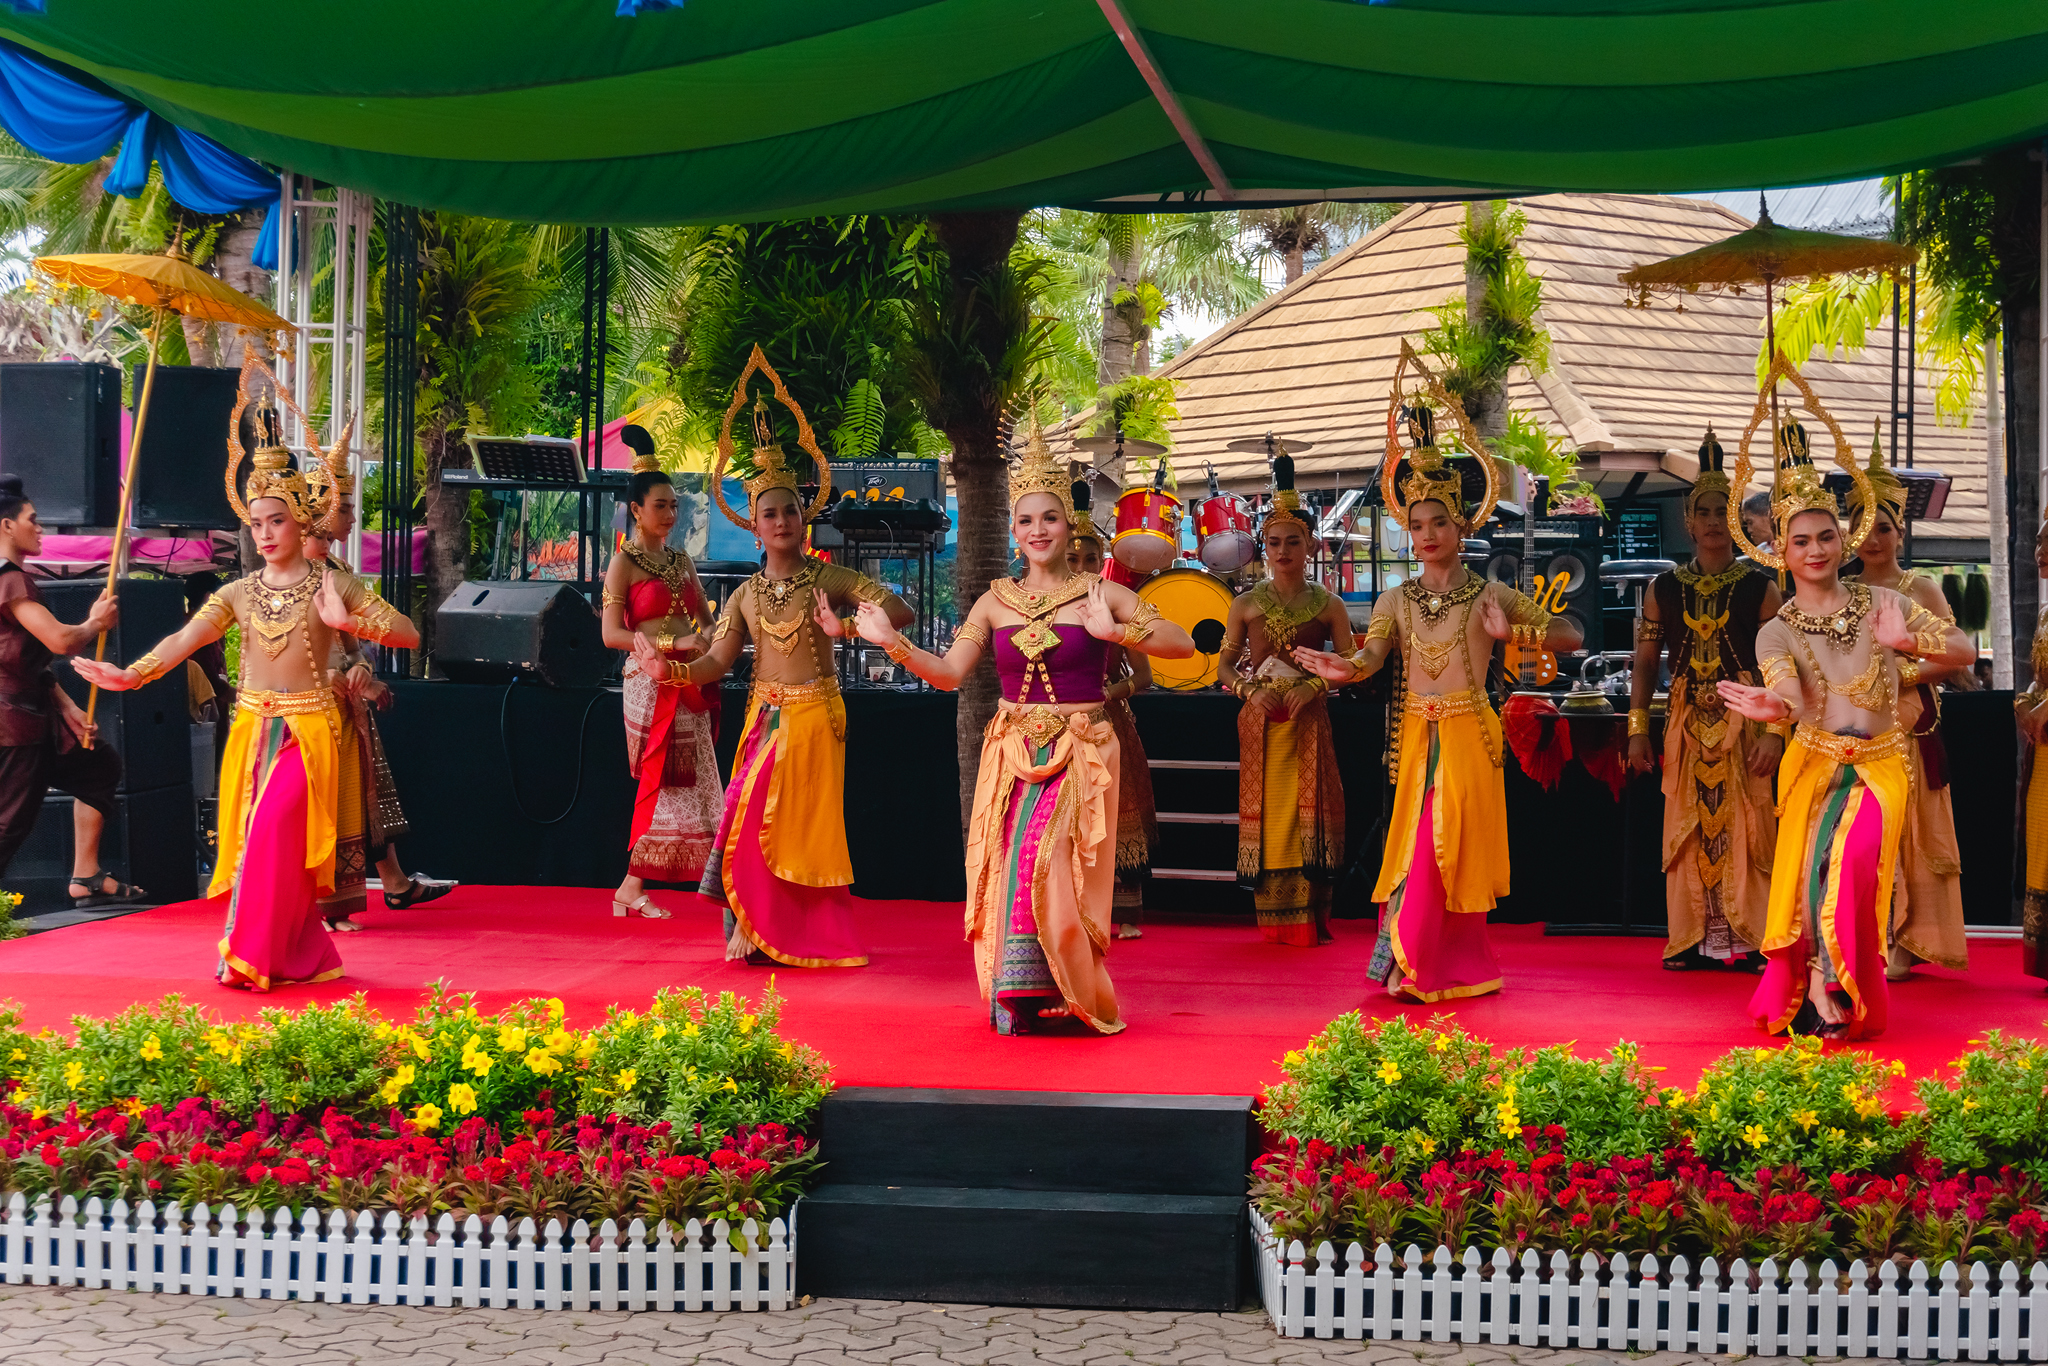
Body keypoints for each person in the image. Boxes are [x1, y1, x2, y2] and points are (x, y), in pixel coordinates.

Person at [855, 423, 1192, 1034]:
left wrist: (1116, 632)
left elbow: (1181, 643)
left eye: (1050, 519)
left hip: (1080, 748)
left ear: (1068, 527)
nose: (1038, 530)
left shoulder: (1100, 593)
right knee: (1012, 862)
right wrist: (891, 642)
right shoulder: (994, 601)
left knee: (1054, 860)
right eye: (1026, 521)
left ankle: (1069, 985)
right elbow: (950, 674)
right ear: (1014, 531)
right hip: (1013, 749)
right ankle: (1023, 993)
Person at [75, 419, 419, 990]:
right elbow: (186, 638)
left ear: (301, 519)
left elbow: (408, 632)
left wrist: (348, 621)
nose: (264, 534)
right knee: (265, 846)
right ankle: (295, 953)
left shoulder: (333, 585)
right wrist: (132, 675)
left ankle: (253, 954)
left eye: (275, 520)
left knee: (273, 834)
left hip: (310, 733)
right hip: (253, 730)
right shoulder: (238, 592)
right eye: (256, 523)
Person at [1296, 370, 1581, 1002]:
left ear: (1462, 527)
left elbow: (1571, 635)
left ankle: (1421, 963)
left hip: (1470, 736)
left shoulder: (1491, 594)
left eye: (1439, 523)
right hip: (1415, 738)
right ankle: (1421, 961)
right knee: (1415, 845)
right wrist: (1344, 669)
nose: (1427, 535)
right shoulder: (1395, 599)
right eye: (1417, 524)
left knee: (1443, 848)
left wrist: (1513, 633)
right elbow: (1371, 657)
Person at [1717, 419, 1973, 1038]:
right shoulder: (1776, 630)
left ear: (1843, 539)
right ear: (1780, 550)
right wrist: (1775, 709)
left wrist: (1907, 641)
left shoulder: (1885, 604)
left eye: (1827, 536)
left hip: (1881, 764)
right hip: (1813, 763)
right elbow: (1786, 691)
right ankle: (1816, 981)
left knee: (1852, 864)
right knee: (1810, 876)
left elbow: (1963, 650)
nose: (1816, 550)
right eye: (1801, 540)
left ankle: (1830, 979)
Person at [676, 365, 911, 967]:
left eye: (789, 511)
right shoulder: (743, 595)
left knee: (801, 828)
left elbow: (900, 610)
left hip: (815, 719)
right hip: (765, 718)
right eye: (770, 514)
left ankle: (794, 935)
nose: (781, 521)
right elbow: (717, 660)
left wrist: (848, 626)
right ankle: (757, 928)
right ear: (754, 527)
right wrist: (670, 672)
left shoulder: (829, 578)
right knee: (749, 816)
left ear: (803, 519)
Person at [1626, 429, 1781, 972]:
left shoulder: (1762, 587)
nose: (1713, 521)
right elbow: (1646, 662)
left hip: (1746, 723)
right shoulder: (1663, 588)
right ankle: (1692, 936)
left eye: (1722, 512)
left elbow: (1780, 669)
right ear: (1688, 522)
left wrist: (1775, 733)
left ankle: (1754, 936)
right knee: (1687, 828)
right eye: (1704, 512)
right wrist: (1637, 729)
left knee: (1750, 825)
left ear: (1735, 521)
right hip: (1687, 721)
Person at [305, 478, 455, 930]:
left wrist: (362, 670)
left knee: (366, 797)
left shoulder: (336, 572)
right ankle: (315, 904)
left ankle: (386, 885)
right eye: (344, 509)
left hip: (344, 705)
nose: (353, 519)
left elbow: (362, 645)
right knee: (319, 804)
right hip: (298, 711)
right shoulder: (277, 581)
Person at [1844, 430, 1968, 981]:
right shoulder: (1838, 589)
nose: (1873, 539)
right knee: (1860, 830)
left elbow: (1955, 657)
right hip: (1852, 728)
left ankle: (1908, 938)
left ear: (1900, 532)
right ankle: (1859, 933)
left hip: (1909, 725)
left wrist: (1900, 674)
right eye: (1863, 527)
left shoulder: (1921, 588)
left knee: (1910, 829)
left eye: (1884, 527)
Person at [1219, 456, 1350, 946]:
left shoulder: (1330, 604)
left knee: (1307, 812)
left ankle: (1310, 916)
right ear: (1263, 547)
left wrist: (1313, 687)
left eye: (1293, 541)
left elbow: (1351, 665)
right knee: (1271, 814)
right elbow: (1223, 668)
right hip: (1261, 720)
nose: (1283, 550)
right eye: (1274, 542)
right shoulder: (1245, 603)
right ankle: (1275, 919)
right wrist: (1250, 691)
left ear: (1311, 545)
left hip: (1308, 717)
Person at [0, 474, 137, 906]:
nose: (41, 528)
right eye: (33, 520)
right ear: (7, 526)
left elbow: (27, 662)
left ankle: (86, 874)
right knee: (8, 823)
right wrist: (95, 622)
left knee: (98, 767)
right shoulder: (10, 582)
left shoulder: (12, 581)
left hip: (33, 713)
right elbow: (60, 641)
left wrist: (68, 706)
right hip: (14, 724)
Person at [600, 430, 720, 918]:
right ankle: (636, 885)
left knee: (701, 776)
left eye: (674, 505)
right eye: (660, 506)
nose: (670, 514)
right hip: (649, 682)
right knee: (665, 778)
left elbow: (706, 620)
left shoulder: (681, 559)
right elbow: (611, 634)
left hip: (688, 677)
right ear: (636, 509)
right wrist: (672, 646)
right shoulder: (622, 564)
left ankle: (710, 877)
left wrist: (710, 641)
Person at [1069, 480, 1154, 939]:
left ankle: (1124, 911)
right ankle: (1071, 907)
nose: (1081, 568)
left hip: (1108, 721)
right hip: (1060, 723)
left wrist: (1109, 692)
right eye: (1073, 559)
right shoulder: (1044, 607)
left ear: (1102, 560)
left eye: (1090, 559)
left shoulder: (1119, 608)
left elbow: (1145, 676)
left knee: (1115, 810)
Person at [2019, 516, 2048, 985]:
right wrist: (2026, 705)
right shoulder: (2045, 613)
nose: (2041, 549)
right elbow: (2037, 678)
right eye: (2041, 540)